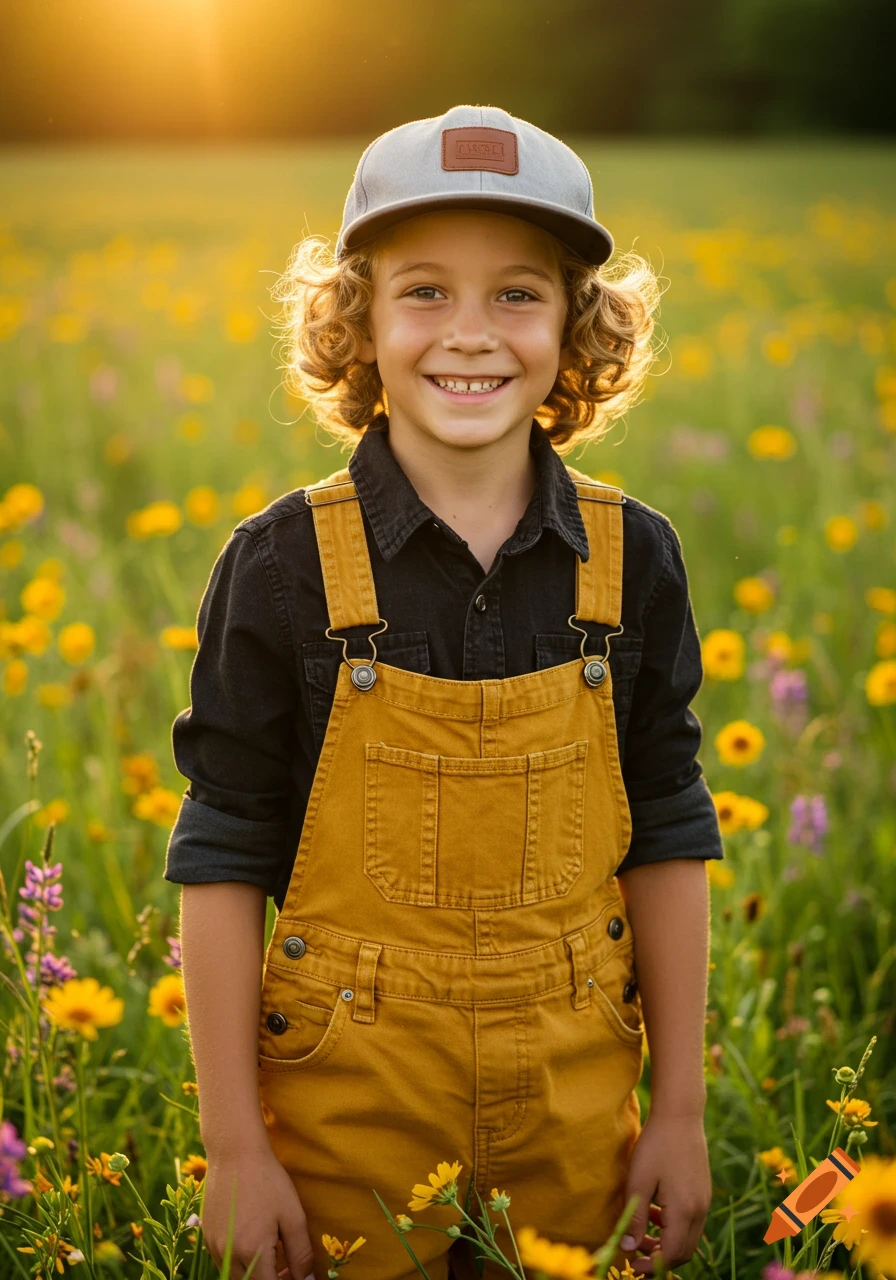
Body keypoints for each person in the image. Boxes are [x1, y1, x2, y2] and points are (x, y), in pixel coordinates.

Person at [164, 103, 723, 1280]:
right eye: (423, 291)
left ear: (576, 330)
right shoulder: (277, 566)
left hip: (573, 1113)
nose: (469, 334)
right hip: (341, 1116)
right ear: (356, 319)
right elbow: (222, 851)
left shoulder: (635, 561)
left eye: (516, 294)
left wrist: (677, 1114)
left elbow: (666, 824)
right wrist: (232, 1149)